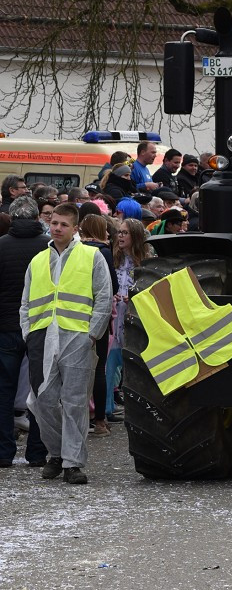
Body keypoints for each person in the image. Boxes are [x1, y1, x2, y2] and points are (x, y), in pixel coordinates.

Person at [20, 202, 113, 484]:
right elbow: (26, 302)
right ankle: (58, 452)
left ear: (75, 228)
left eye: (63, 224)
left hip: (78, 337)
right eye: (54, 222)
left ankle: (72, 463)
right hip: (42, 337)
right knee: (41, 400)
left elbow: (104, 296)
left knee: (74, 402)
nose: (57, 228)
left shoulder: (92, 256)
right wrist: (27, 331)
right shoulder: (37, 261)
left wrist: (93, 334)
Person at [0, 197, 50, 469]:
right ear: (35, 218)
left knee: (3, 392)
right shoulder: (49, 248)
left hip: (6, 328)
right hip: (39, 327)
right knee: (40, 390)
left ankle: (3, 452)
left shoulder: (1, 247)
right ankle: (38, 453)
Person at [106, 218, 153, 422]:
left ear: (135, 236)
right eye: (119, 232)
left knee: (135, 364)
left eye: (125, 233)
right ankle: (106, 407)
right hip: (114, 316)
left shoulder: (147, 262)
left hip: (136, 317)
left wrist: (134, 295)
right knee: (110, 363)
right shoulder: (111, 258)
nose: (120, 236)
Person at [79, 214, 118, 438]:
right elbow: (111, 286)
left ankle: (81, 417)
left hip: (75, 316)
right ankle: (100, 420)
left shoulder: (74, 250)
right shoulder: (102, 252)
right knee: (99, 368)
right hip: (97, 317)